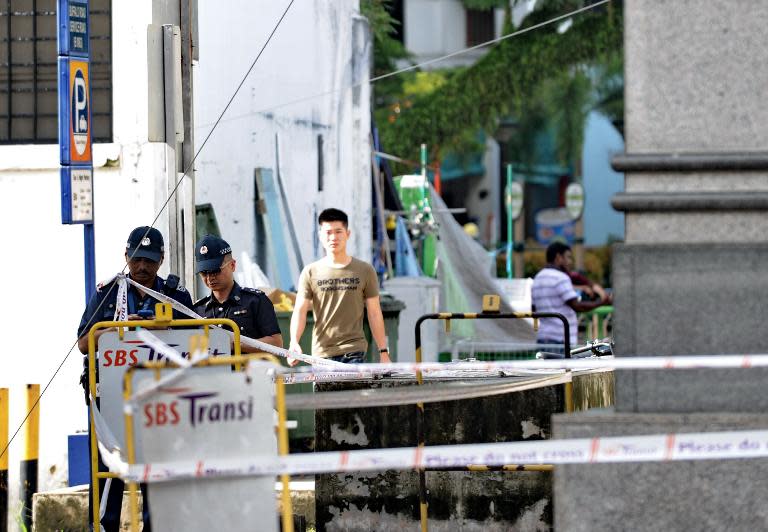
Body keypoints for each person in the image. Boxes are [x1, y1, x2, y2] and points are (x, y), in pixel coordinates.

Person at [76, 226, 194, 532]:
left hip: (162, 399)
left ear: (162, 259)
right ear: (126, 256)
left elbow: (197, 338)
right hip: (112, 398)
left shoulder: (175, 294)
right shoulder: (108, 293)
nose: (143, 267)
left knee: (158, 470)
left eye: (150, 261)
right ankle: (104, 526)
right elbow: (84, 343)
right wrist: (117, 327)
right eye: (138, 259)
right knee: (108, 469)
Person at [289, 208, 391, 364]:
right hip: (321, 355)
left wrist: (383, 352)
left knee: (353, 389)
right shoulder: (310, 272)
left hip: (353, 351)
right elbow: (300, 311)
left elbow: (375, 312)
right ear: (320, 236)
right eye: (328, 232)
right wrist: (294, 343)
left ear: (347, 234)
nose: (333, 237)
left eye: (338, 232)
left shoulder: (364, 270)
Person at [193, 234, 283, 351]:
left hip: (247, 368)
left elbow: (277, 343)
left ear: (232, 265)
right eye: (204, 273)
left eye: (215, 271)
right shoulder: (197, 310)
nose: (210, 278)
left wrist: (235, 344)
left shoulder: (255, 301)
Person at [531, 241, 611, 348]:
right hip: (561, 340)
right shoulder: (560, 277)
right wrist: (601, 303)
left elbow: (534, 308)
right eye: (568, 257)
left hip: (542, 338)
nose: (570, 262)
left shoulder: (537, 278)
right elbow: (577, 306)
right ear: (558, 257)